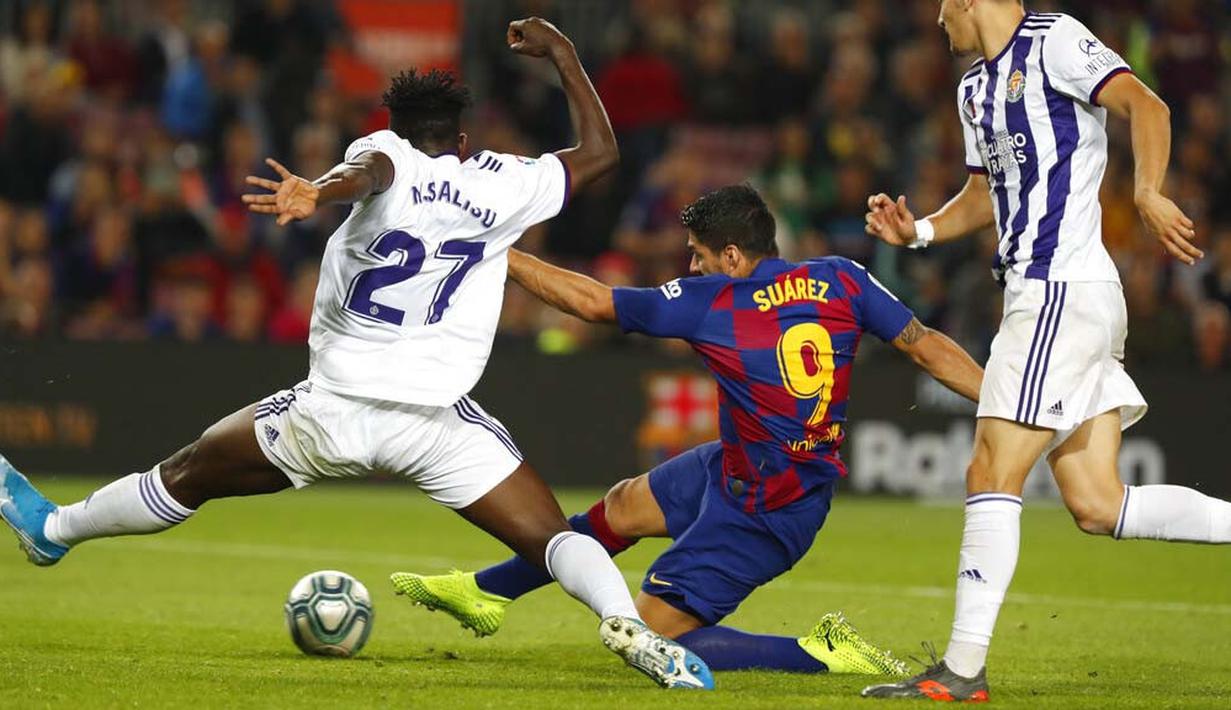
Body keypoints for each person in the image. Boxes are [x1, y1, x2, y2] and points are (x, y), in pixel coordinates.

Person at [0, 18, 712, 691]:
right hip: (437, 425)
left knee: (186, 473)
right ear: (461, 140)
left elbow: (368, 173)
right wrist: (560, 50)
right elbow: (600, 155)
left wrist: (317, 190)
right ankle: (626, 624)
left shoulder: (385, 153)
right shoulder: (504, 182)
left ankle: (55, 531)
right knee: (552, 538)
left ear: (397, 126)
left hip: (332, 412)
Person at [391, 184, 984, 676]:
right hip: (737, 466)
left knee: (644, 633)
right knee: (623, 507)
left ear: (731, 256)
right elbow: (925, 345)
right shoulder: (844, 278)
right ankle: (486, 592)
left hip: (768, 507)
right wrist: (1006, 398)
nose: (691, 266)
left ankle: (816, 652)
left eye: (698, 255)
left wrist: (499, 255)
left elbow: (596, 303)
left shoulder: (715, 300)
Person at [860, 1, 1231, 703]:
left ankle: (962, 669)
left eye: (944, 5)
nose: (937, 20)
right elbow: (982, 196)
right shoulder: (973, 87)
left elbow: (1146, 106)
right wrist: (917, 234)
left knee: (988, 466)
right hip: (1051, 296)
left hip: (1058, 289)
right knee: (1096, 504)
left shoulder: (1052, 40)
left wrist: (1146, 190)